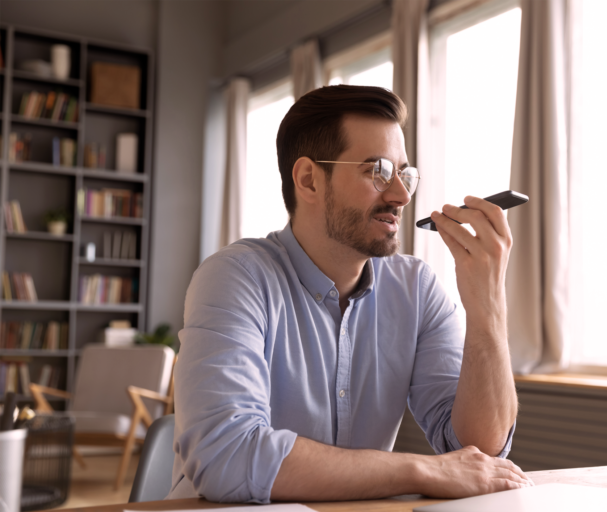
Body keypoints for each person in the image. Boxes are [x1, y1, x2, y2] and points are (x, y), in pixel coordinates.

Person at [168, 85, 531, 503]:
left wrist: (488, 308)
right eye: (377, 170)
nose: (400, 195)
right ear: (308, 179)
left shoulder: (416, 288)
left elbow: (479, 455)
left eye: (404, 173)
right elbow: (227, 456)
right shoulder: (235, 277)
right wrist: (422, 470)